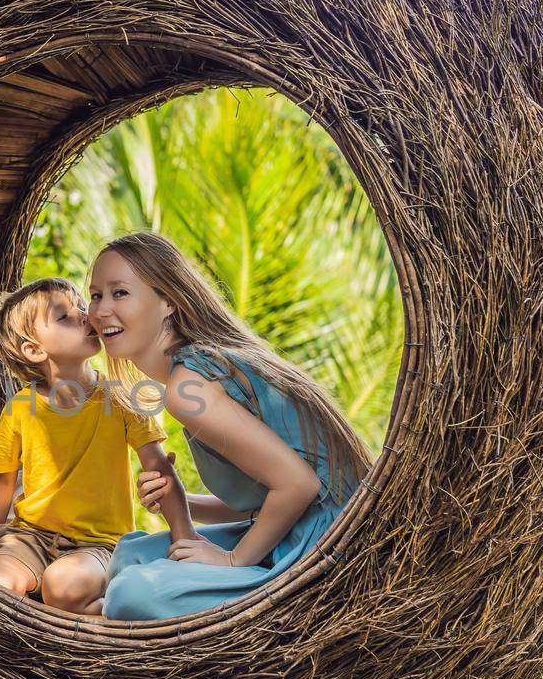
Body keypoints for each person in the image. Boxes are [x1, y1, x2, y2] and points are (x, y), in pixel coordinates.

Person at [87, 231, 370, 621]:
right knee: (131, 554)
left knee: (129, 594)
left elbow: (299, 485)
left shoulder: (188, 387)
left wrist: (233, 561)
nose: (101, 310)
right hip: (291, 529)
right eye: (95, 295)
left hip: (327, 549)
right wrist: (182, 501)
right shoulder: (192, 370)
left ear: (168, 300)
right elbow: (266, 497)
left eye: (120, 293)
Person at [0, 277, 195, 616]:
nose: (84, 315)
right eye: (65, 316)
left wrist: (185, 539)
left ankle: (108, 613)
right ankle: (61, 607)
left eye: (81, 306)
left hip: (100, 546)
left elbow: (160, 469)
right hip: (28, 536)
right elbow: (2, 481)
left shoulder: (122, 398)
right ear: (34, 350)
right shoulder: (20, 408)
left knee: (62, 587)